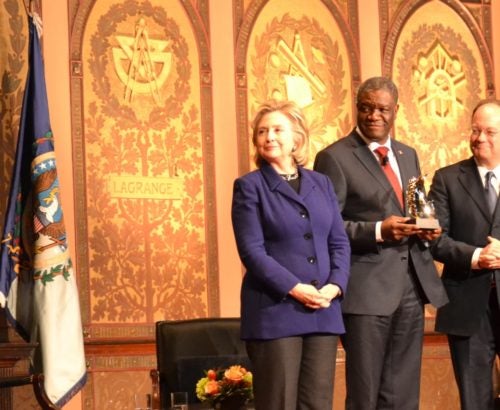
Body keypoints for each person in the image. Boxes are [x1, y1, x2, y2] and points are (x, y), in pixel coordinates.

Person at [314, 76, 448, 410]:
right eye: (366, 108)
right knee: (365, 394)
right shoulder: (334, 157)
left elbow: (416, 209)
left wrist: (428, 229)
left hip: (411, 288)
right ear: (357, 108)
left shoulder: (407, 154)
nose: (374, 115)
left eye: (382, 109)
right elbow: (327, 228)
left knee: (403, 394)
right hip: (366, 292)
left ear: (395, 111)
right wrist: (377, 231)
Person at [231, 100, 351, 410]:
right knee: (279, 404)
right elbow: (252, 252)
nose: (269, 137)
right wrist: (295, 288)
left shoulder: (321, 183)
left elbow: (339, 242)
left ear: (296, 138)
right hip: (276, 312)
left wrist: (334, 287)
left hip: (323, 310)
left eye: (277, 130)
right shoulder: (249, 187)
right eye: (262, 131)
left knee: (318, 404)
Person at [429, 99, 500, 410]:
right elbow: (435, 239)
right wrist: (476, 256)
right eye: (475, 130)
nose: (480, 138)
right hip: (468, 307)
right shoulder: (446, 179)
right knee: (474, 402)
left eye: (490, 131)